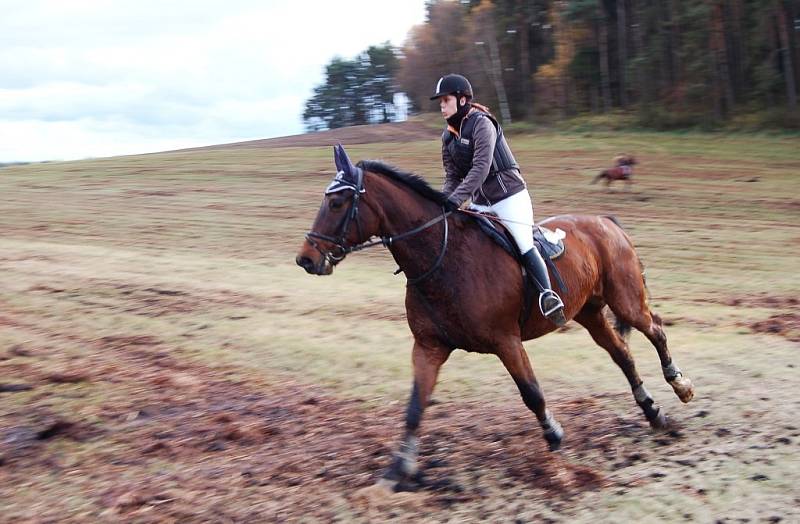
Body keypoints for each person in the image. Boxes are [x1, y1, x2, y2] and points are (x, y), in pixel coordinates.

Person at [431, 73, 566, 326]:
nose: (441, 105)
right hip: (480, 204)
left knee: (523, 243)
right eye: (440, 101)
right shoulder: (447, 137)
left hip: (509, 197)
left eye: (445, 100)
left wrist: (457, 199)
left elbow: (481, 167)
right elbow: (452, 176)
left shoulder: (482, 123)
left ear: (462, 100)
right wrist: (443, 202)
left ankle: (548, 296)